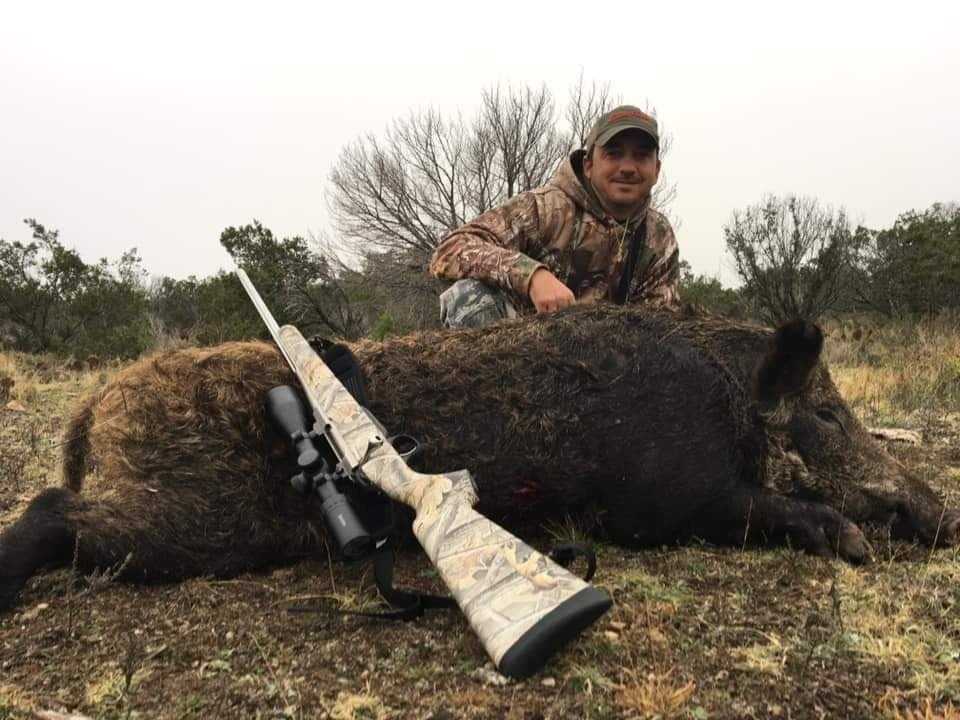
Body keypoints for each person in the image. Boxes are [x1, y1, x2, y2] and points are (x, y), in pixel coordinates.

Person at [429, 105, 681, 329]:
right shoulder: (544, 208)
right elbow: (450, 250)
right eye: (613, 154)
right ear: (588, 165)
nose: (627, 168)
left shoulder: (657, 234)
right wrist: (531, 276)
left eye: (641, 156)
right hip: (521, 344)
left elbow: (661, 321)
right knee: (469, 296)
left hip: (604, 356)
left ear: (656, 170)